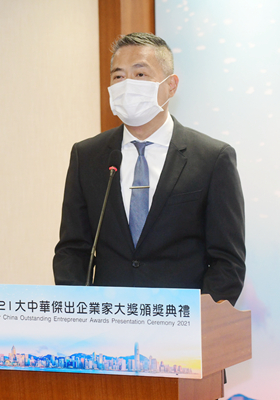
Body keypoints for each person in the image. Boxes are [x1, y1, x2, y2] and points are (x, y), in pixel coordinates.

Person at [53, 32, 245, 306]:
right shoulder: (87, 156)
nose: (127, 84)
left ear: (171, 85)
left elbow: (227, 261)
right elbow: (72, 250)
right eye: (118, 76)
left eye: (140, 74)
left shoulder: (213, 158)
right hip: (107, 318)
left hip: (182, 322)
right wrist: (79, 312)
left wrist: (198, 320)